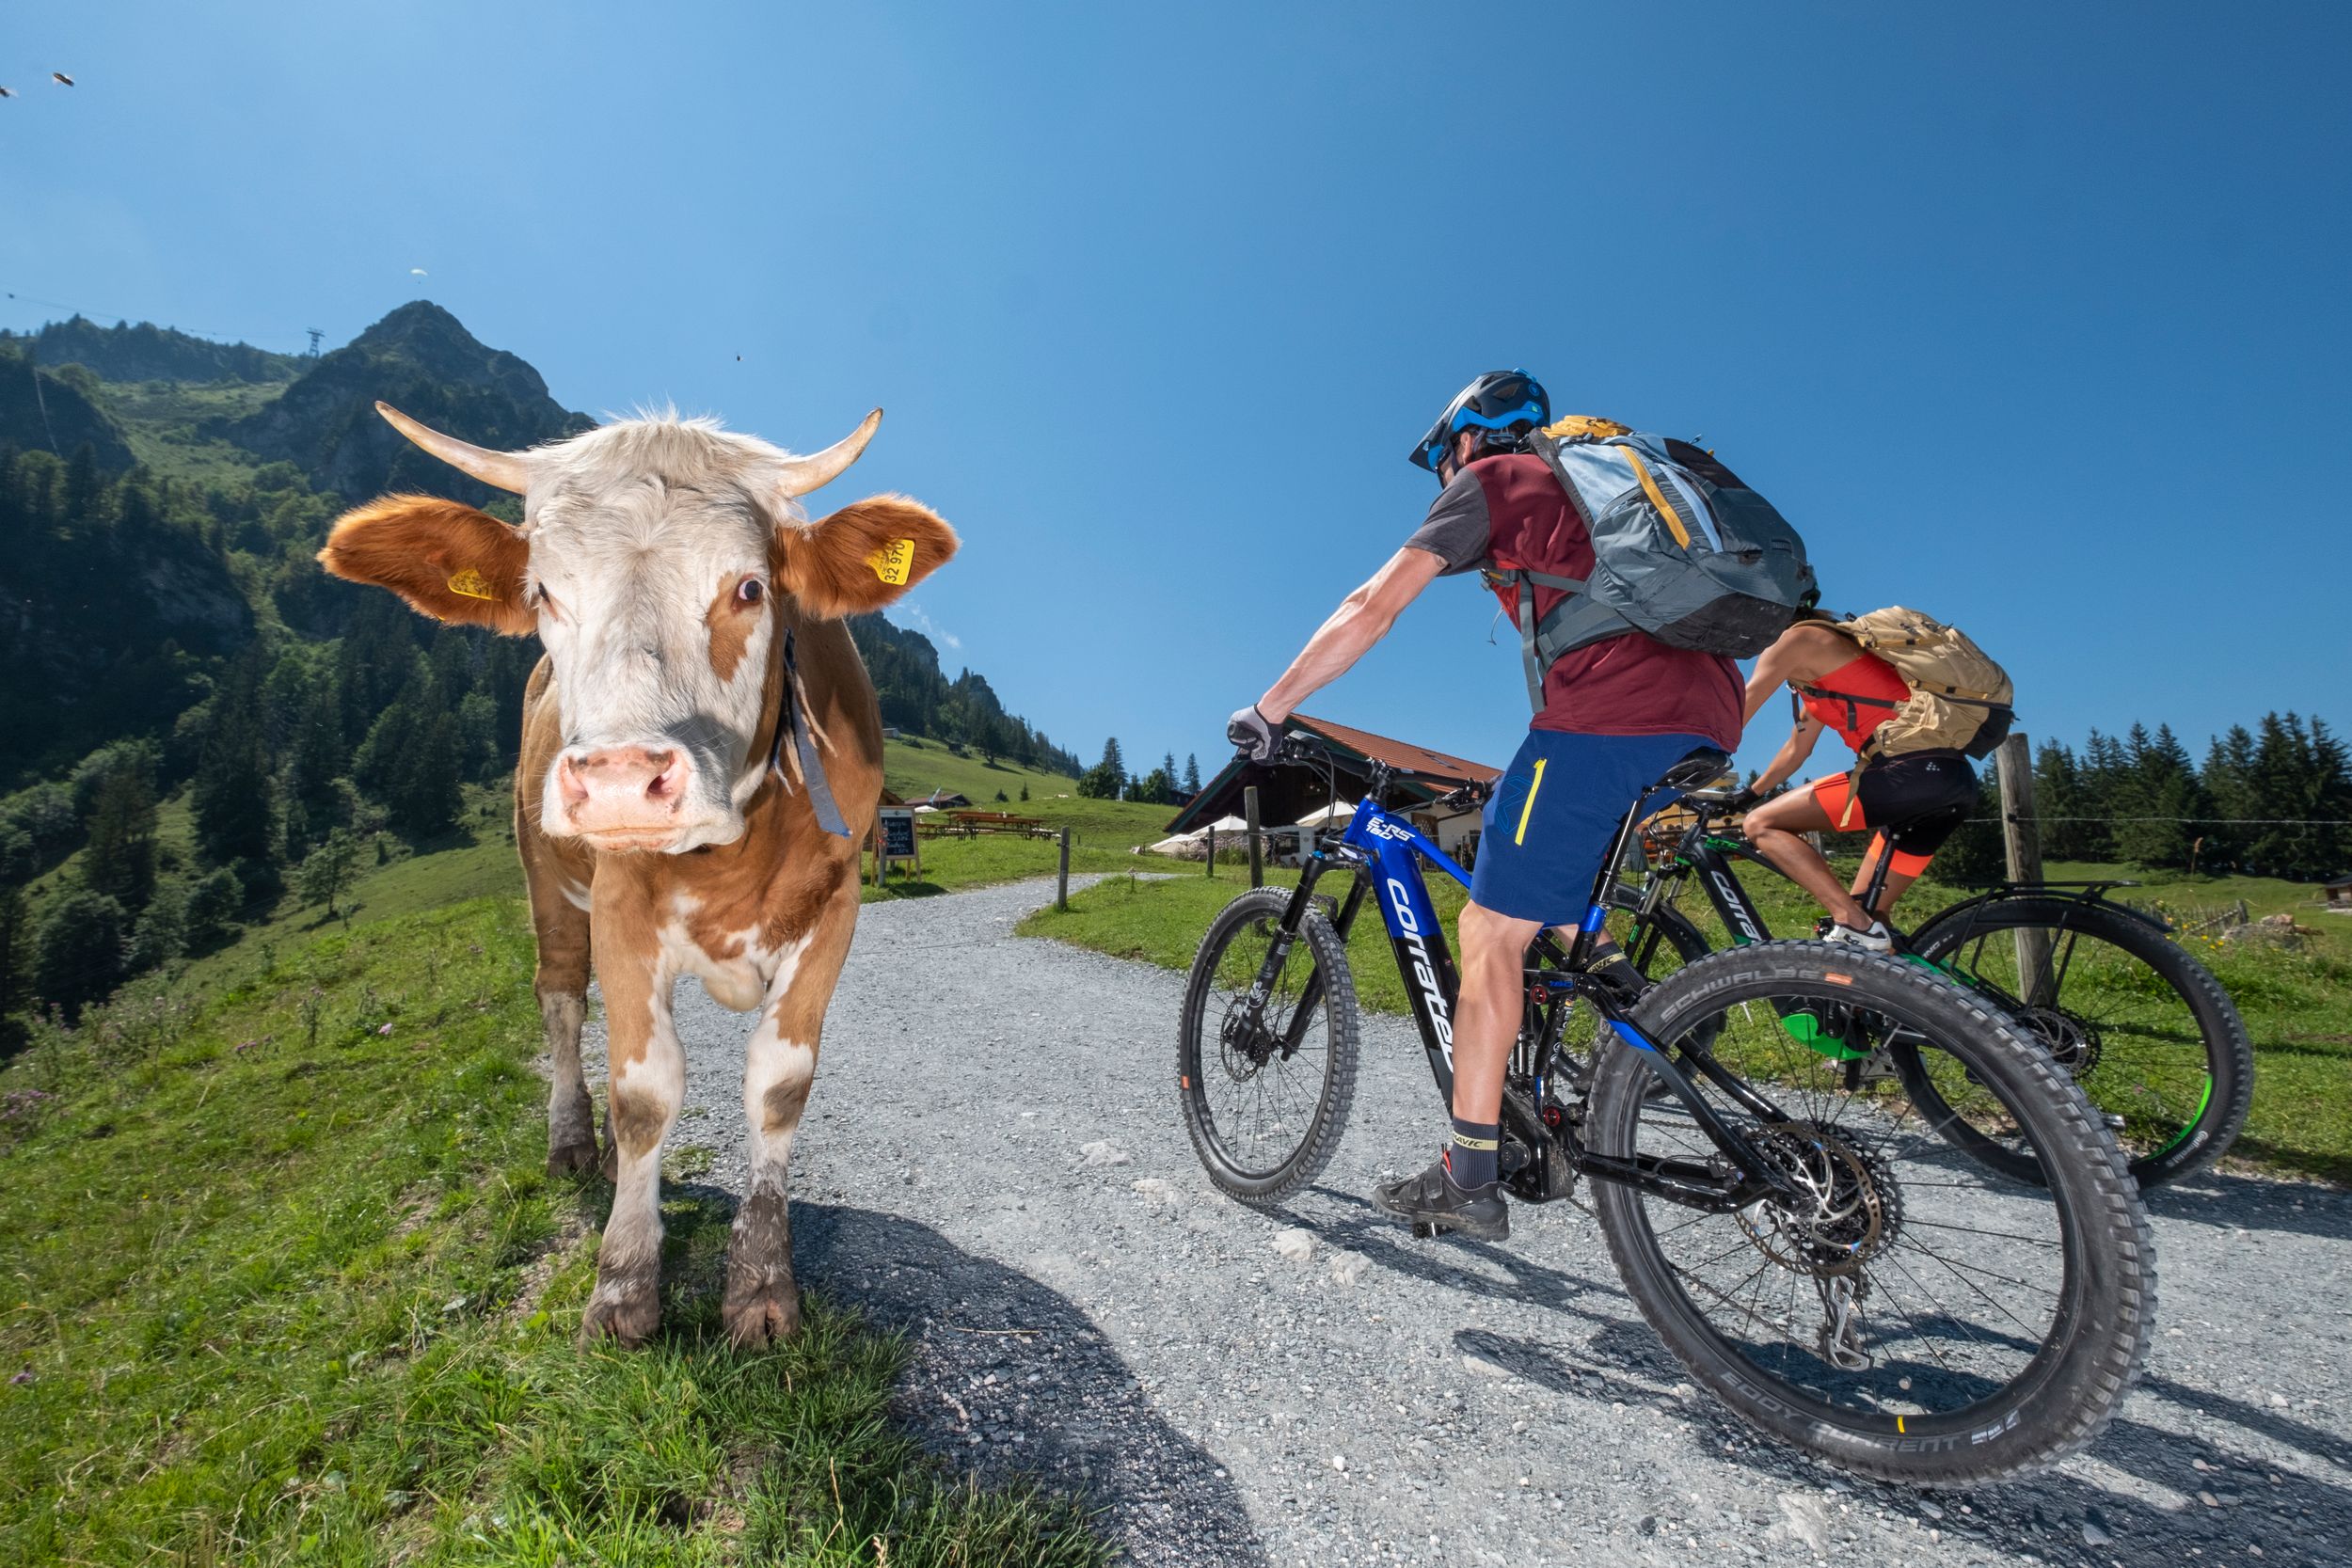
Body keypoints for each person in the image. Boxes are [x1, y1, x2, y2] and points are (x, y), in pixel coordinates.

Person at [1227, 372, 1741, 1241]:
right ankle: (1643, 1036)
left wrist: (1271, 708)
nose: (1444, 478)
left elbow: (1370, 606)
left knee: (1486, 931)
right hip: (1711, 713)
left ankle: (1469, 1173)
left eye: (1442, 460)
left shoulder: (1498, 482)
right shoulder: (1597, 498)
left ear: (1467, 439)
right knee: (1553, 887)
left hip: (1610, 719)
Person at [1736, 614, 1982, 948]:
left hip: (1909, 772)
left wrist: (1687, 758)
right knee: (1870, 919)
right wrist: (1747, 793)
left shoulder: (1798, 638)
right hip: (1951, 780)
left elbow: (1744, 702)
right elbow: (1796, 750)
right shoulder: (1821, 679)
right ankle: (1907, 991)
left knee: (1761, 824)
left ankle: (1851, 922)